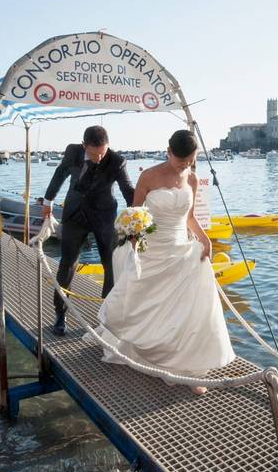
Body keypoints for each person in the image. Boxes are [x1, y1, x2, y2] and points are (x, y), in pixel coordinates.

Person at [95, 130, 234, 394]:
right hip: (153, 248)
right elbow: (135, 214)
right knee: (149, 305)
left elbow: (189, 217)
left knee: (188, 310)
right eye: (181, 162)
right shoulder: (148, 176)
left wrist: (205, 239)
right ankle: (155, 356)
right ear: (168, 151)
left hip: (181, 248)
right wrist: (135, 240)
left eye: (190, 161)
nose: (185, 166)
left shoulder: (192, 178)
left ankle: (188, 367)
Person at [42, 126, 135, 336]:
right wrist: (48, 200)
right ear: (84, 146)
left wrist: (138, 217)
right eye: (94, 154)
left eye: (103, 152)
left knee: (109, 265)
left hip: (103, 217)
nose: (99, 158)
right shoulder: (72, 152)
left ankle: (106, 317)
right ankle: (60, 314)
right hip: (74, 215)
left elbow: (128, 190)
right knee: (67, 265)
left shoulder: (117, 161)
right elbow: (60, 174)